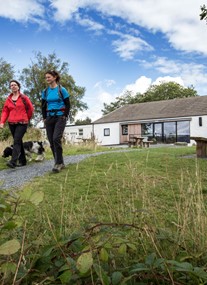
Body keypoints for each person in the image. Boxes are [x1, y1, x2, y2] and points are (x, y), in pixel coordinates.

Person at [0, 80, 34, 168]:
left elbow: (30, 109)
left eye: (15, 85)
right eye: (11, 85)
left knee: (16, 141)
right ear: (10, 88)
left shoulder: (24, 98)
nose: (13, 86)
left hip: (22, 123)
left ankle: (13, 161)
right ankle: (23, 161)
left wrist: (27, 118)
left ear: (18, 87)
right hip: (11, 123)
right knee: (18, 141)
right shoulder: (8, 100)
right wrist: (2, 122)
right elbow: (5, 112)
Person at [41, 70, 70, 173]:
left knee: (56, 139)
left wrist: (65, 116)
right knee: (52, 142)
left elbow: (68, 104)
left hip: (60, 117)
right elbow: (43, 106)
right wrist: (44, 118)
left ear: (55, 77)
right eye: (46, 77)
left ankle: (58, 164)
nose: (47, 79)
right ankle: (59, 162)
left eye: (49, 77)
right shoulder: (45, 91)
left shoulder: (62, 90)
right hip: (49, 118)